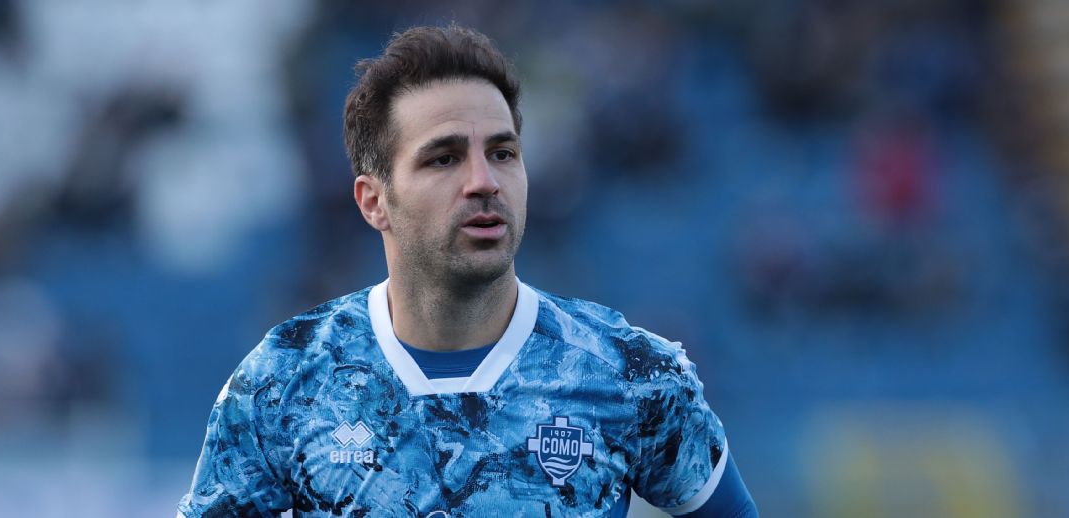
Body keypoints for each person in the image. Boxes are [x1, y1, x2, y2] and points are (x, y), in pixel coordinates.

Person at [178, 24, 757, 518]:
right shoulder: (283, 382)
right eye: (444, 158)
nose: (484, 181)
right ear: (373, 200)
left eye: (503, 153)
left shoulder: (630, 373)